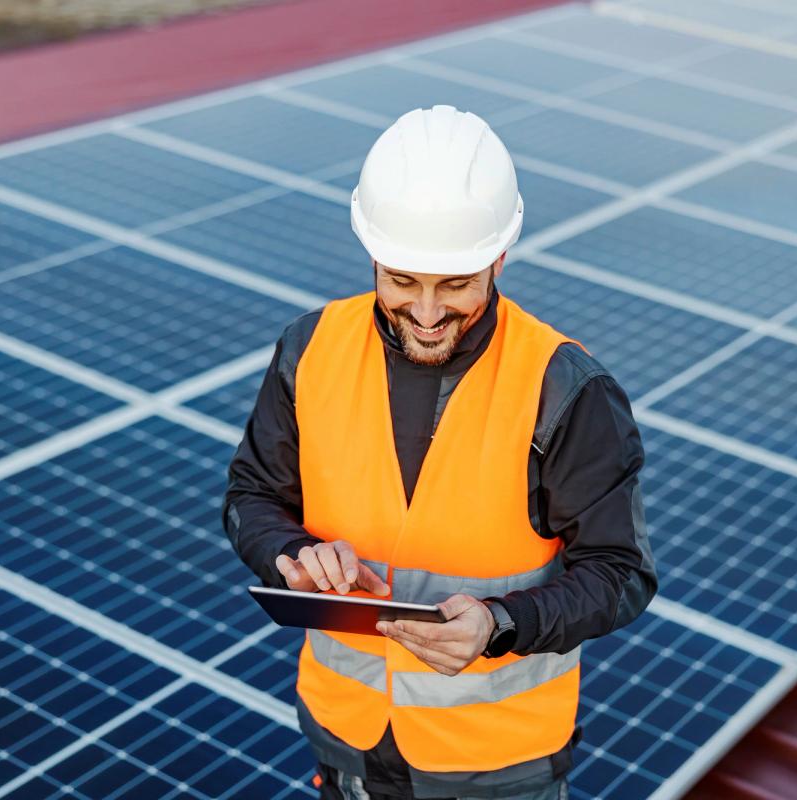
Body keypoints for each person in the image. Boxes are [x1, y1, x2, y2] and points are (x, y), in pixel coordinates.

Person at [223, 104, 657, 800]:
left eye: (455, 284)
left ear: (499, 258)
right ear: (372, 256)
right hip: (345, 741)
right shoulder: (310, 352)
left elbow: (620, 572)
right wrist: (291, 555)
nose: (427, 312)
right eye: (402, 280)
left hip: (497, 768)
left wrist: (500, 624)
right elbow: (252, 497)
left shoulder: (565, 389)